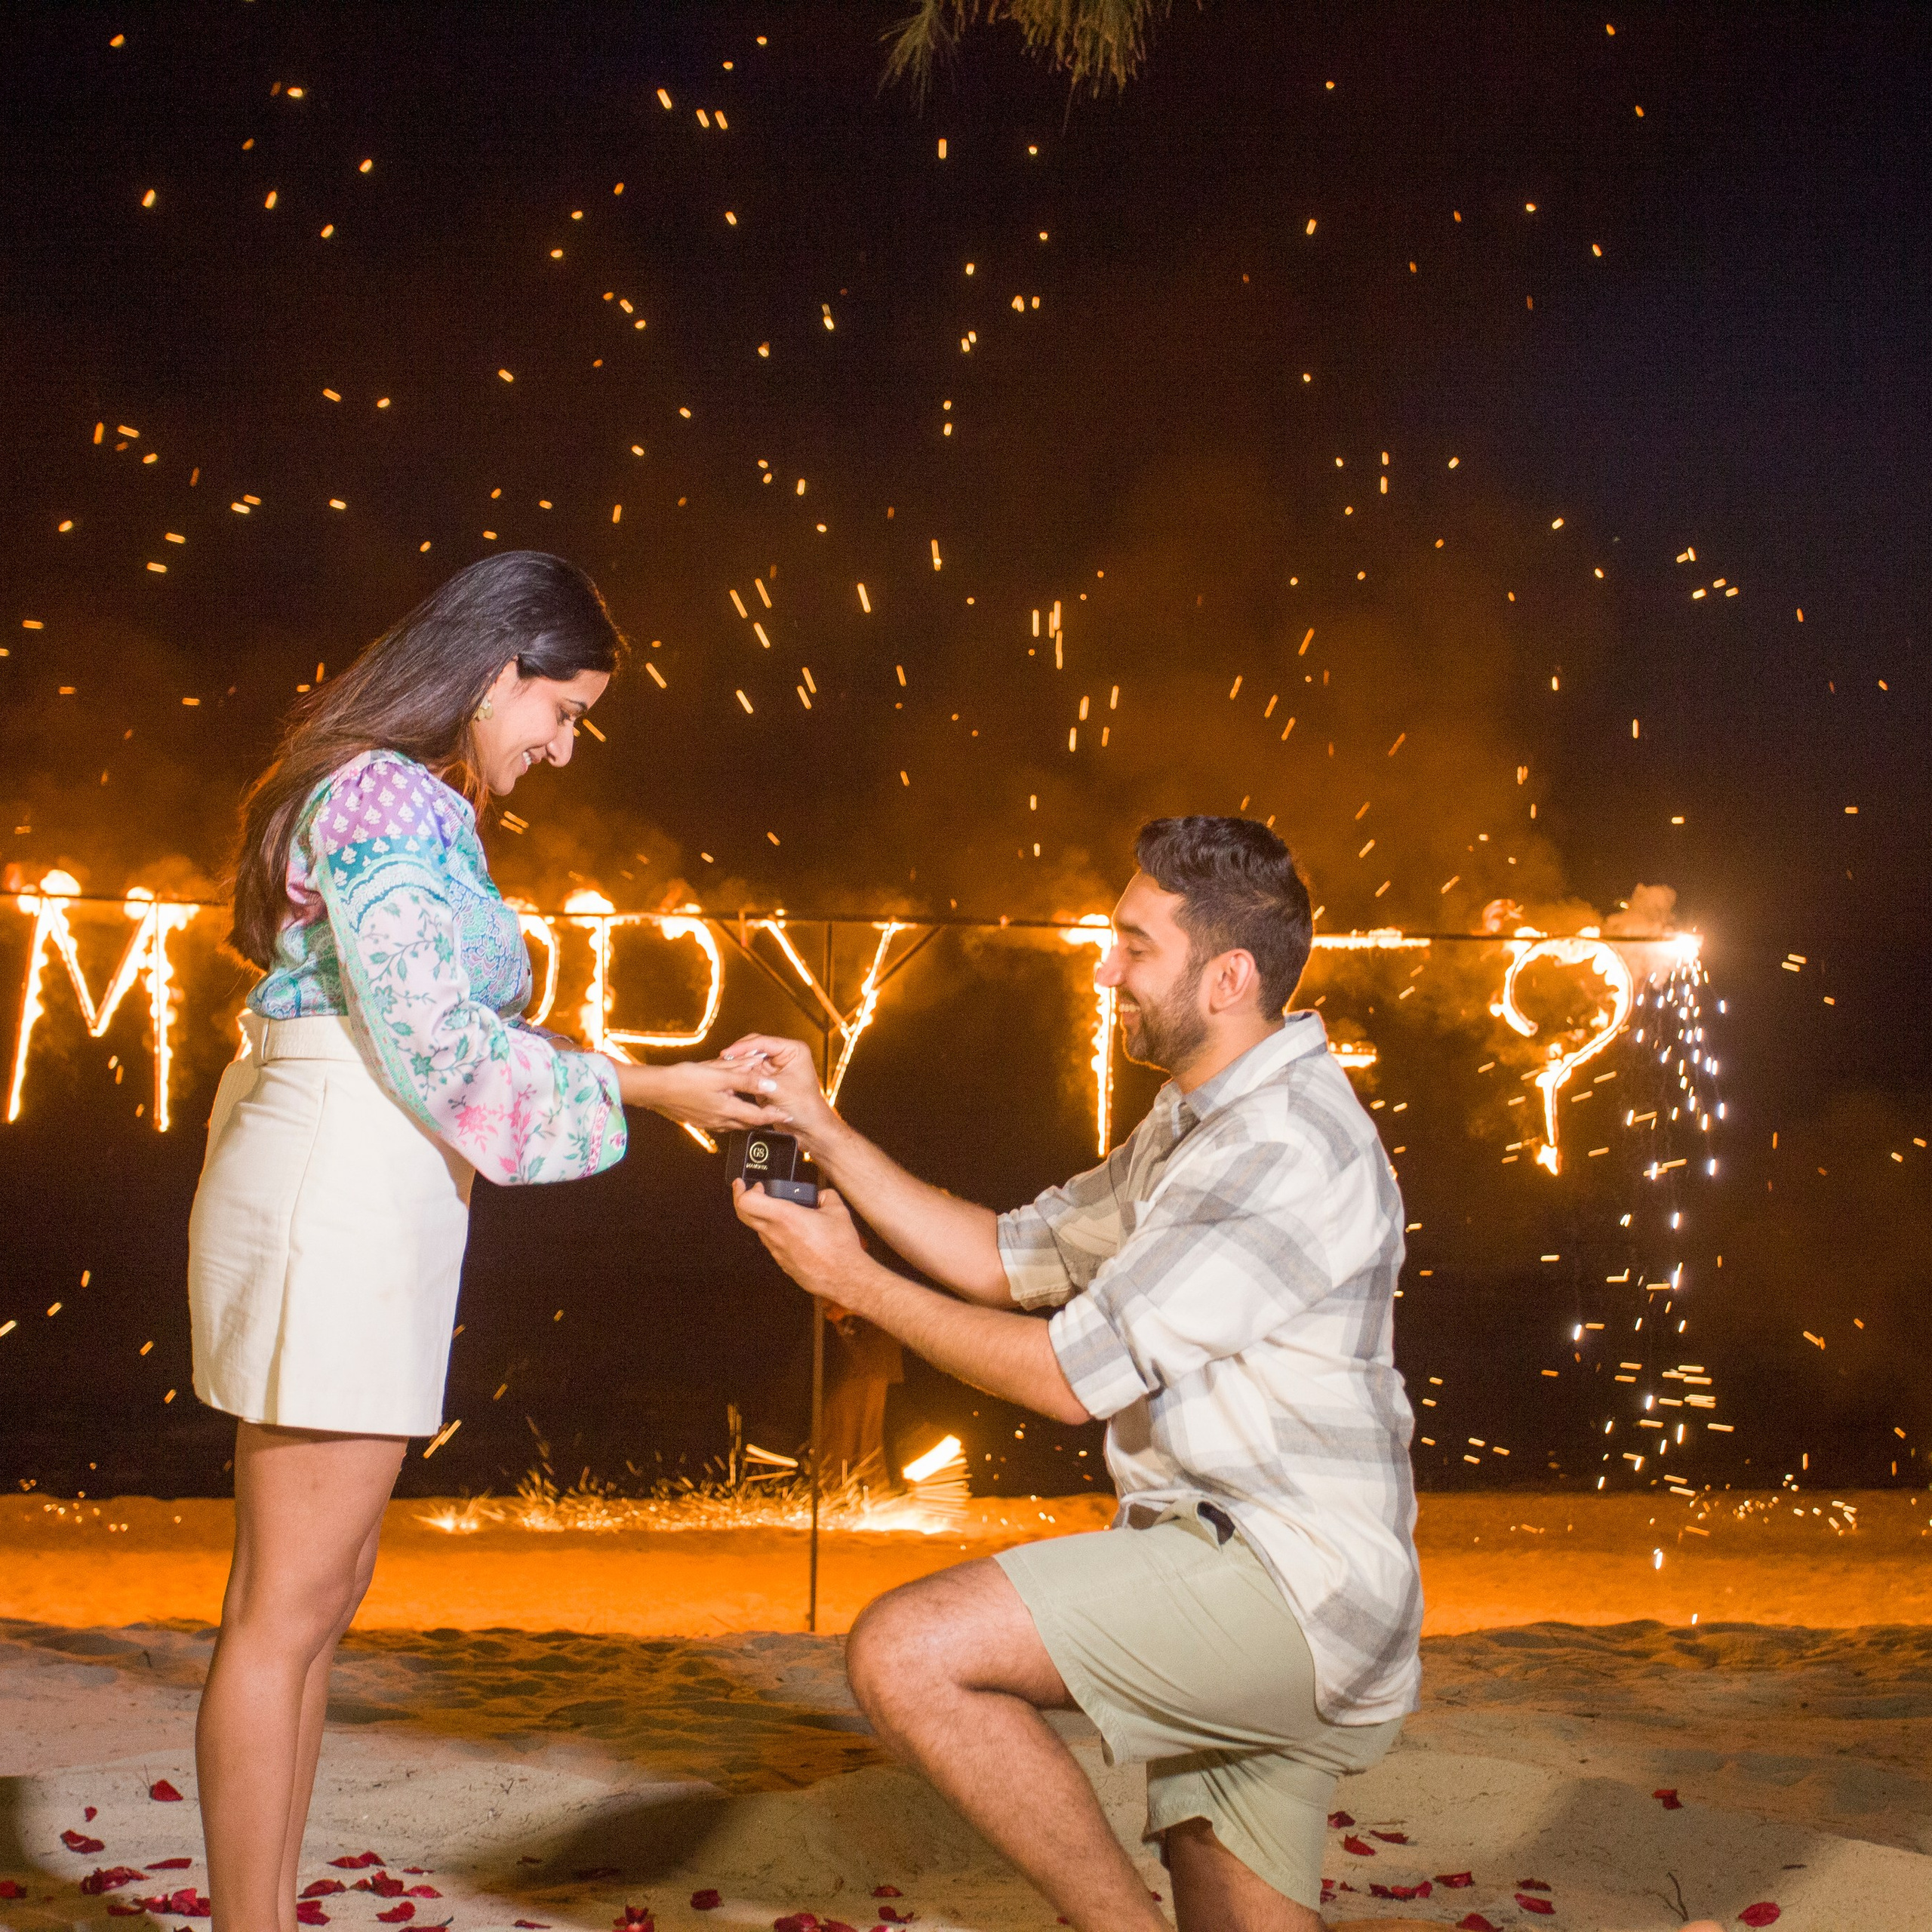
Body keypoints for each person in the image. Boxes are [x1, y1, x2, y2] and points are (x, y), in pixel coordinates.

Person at [187, 551, 783, 1932]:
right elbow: (442, 1047)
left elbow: (433, 1042)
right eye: (561, 711)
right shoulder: (388, 795)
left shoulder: (401, 798)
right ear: (496, 668)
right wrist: (658, 1086)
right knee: (289, 1607)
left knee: (318, 1595)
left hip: (364, 1177)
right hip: (342, 1184)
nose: (563, 748)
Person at [733, 815, 1422, 1932]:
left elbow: (1069, 1375)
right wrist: (821, 1129)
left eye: (1135, 945)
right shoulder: (1198, 1121)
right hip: (1216, 1563)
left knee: (907, 1653)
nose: (1105, 969)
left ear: (1228, 977)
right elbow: (1009, 1257)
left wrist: (853, 1283)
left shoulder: (1282, 1144)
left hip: (1287, 1590)